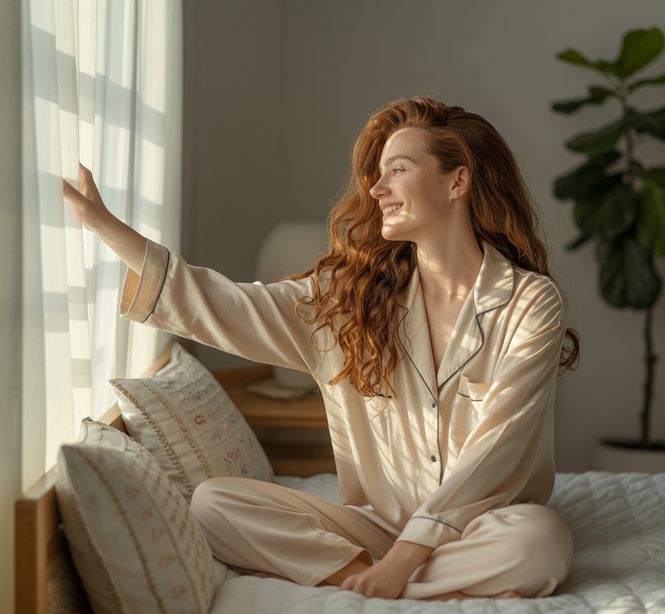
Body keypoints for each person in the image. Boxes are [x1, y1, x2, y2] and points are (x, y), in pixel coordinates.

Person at [63, 97, 580, 602]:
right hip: (380, 529)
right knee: (213, 502)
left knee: (540, 540)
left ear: (457, 181)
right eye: (378, 174)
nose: (377, 188)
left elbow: (497, 450)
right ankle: (389, 580)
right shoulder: (351, 300)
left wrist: (403, 561)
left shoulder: (529, 303)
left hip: (482, 524)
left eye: (398, 169)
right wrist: (105, 225)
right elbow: (227, 306)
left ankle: (376, 579)